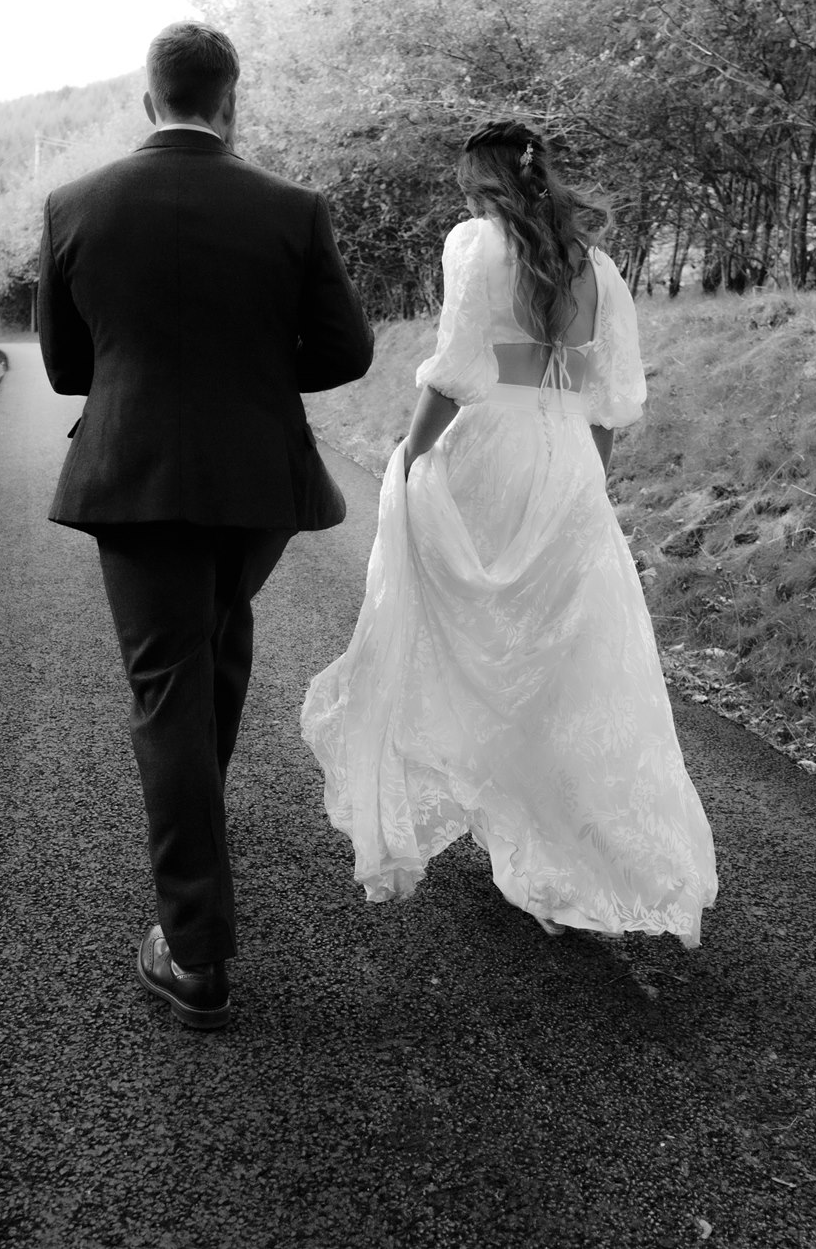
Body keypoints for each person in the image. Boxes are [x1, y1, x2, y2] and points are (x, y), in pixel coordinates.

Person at [301, 120, 717, 946]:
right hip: (565, 457)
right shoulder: (598, 267)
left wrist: (411, 453)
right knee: (564, 651)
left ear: (485, 186)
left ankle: (496, 791)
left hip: (491, 447)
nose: (464, 202)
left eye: (468, 188)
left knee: (474, 630)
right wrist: (588, 484)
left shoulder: (474, 245)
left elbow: (458, 371)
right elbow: (608, 396)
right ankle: (581, 839)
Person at [37, 22, 373, 1029]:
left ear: (149, 101)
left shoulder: (74, 204)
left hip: (134, 473)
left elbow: (63, 369)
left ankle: (192, 956)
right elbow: (348, 349)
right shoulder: (290, 209)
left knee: (170, 684)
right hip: (257, 479)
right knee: (216, 643)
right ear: (231, 102)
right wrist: (256, 374)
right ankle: (199, 843)